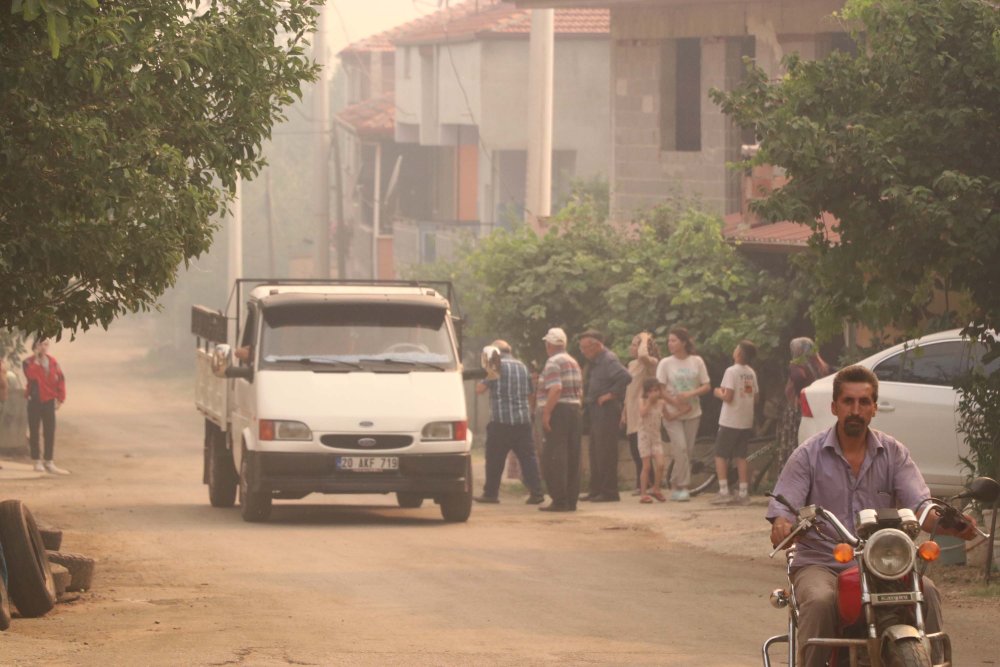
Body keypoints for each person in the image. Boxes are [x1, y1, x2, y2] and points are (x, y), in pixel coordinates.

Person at [766, 365, 978, 667]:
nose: (856, 410)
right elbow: (783, 511)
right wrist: (783, 525)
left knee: (927, 592)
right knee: (821, 600)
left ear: (874, 408)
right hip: (823, 561)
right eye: (848, 402)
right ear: (834, 406)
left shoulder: (893, 453)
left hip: (883, 564)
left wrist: (950, 524)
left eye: (864, 402)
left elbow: (921, 505)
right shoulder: (807, 455)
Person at [473, 340, 545, 505]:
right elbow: (530, 394)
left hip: (501, 421)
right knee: (528, 458)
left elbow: (480, 390)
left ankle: (491, 494)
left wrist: (484, 376)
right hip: (522, 421)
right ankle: (537, 493)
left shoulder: (495, 365)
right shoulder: (522, 366)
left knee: (494, 459)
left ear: (495, 352)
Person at [656, 327, 710, 501]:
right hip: (671, 414)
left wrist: (690, 395)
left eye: (674, 340)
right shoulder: (665, 363)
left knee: (687, 450)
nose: (670, 344)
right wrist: (676, 404)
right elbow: (660, 389)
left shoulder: (696, 361)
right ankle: (684, 486)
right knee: (680, 447)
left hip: (693, 412)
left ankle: (674, 483)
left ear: (684, 342)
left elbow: (706, 385)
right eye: (669, 340)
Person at [578, 330, 631, 503]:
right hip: (595, 409)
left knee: (606, 451)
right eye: (582, 348)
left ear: (597, 345)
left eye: (586, 347)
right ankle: (596, 490)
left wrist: (611, 395)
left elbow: (625, 376)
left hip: (607, 410)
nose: (584, 351)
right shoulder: (594, 362)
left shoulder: (608, 359)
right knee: (595, 451)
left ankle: (609, 491)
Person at [538, 327, 583, 512]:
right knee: (573, 455)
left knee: (554, 456)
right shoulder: (573, 361)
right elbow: (580, 390)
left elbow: (555, 388)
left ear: (549, 345)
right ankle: (571, 500)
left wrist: (547, 413)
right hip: (574, 409)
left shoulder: (553, 362)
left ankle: (559, 499)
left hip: (559, 410)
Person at [711, 340, 759, 506]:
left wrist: (718, 392)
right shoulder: (751, 372)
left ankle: (724, 490)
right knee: (741, 456)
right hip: (746, 419)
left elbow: (728, 396)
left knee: (720, 454)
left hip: (730, 419)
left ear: (739, 353)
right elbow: (756, 397)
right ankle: (744, 491)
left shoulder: (731, 371)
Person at [777, 337, 830, 462]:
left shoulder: (797, 365)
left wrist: (798, 395)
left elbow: (798, 377)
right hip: (818, 409)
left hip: (799, 409)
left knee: (796, 443)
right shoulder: (820, 366)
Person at [621, 332, 661, 496]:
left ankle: (649, 484)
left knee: (642, 450)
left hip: (643, 411)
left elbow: (644, 355)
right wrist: (623, 412)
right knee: (634, 449)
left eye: (635, 344)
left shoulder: (650, 363)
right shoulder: (631, 364)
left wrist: (644, 338)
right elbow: (628, 390)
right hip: (631, 410)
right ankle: (642, 483)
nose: (632, 347)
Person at [22, 337, 69, 475]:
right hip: (34, 401)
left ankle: (49, 460)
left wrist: (60, 398)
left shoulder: (53, 362)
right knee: (34, 431)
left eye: (46, 344)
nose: (43, 347)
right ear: (35, 346)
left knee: (49, 431)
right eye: (40, 344)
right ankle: (36, 460)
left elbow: (60, 379)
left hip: (49, 400)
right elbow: (31, 375)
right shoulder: (27, 362)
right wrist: (37, 360)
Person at [637, 378, 668, 503]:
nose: (654, 393)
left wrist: (681, 411)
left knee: (660, 464)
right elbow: (642, 413)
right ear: (646, 392)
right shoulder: (642, 401)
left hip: (656, 437)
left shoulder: (662, 403)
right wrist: (649, 402)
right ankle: (643, 493)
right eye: (651, 391)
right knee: (647, 466)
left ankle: (656, 488)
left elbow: (668, 416)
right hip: (644, 436)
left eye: (656, 390)